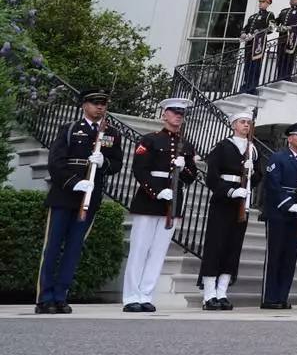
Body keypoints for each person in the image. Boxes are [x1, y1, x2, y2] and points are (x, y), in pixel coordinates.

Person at [36, 87, 123, 314]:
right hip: (65, 196)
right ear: (84, 105)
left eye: (103, 103)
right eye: (95, 102)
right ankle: (45, 298)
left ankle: (60, 296)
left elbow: (117, 165)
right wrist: (75, 182)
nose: (100, 107)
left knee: (73, 250)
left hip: (89, 199)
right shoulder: (71, 129)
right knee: (53, 248)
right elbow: (56, 162)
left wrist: (104, 162)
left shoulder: (111, 134)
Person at [123, 97, 198, 312]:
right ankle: (131, 297)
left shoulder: (187, 145)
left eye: (181, 114)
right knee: (139, 249)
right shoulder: (150, 140)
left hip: (173, 202)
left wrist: (184, 169)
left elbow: (191, 177)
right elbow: (139, 169)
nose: (178, 116)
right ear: (164, 114)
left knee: (158, 252)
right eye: (174, 112)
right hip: (149, 200)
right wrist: (157, 191)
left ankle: (146, 295)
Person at [199, 109, 262, 310]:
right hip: (224, 200)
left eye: (248, 122)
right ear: (233, 125)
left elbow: (259, 176)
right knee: (215, 245)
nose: (246, 125)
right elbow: (212, 177)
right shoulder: (223, 146)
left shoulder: (253, 149)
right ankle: (209, 294)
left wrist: (252, 174)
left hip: (242, 200)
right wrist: (229, 191)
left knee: (233, 247)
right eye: (242, 122)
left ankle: (222, 291)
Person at [260, 121, 297, 310]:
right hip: (279, 212)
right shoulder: (279, 157)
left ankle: (282, 296)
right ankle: (269, 297)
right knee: (276, 255)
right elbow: (273, 185)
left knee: (290, 257)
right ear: (290, 138)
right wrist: (289, 204)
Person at [239, 0, 274, 94]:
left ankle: (252, 85)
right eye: (260, 2)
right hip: (249, 43)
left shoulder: (269, 15)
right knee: (247, 64)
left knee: (256, 64)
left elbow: (271, 28)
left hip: (259, 42)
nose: (261, 4)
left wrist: (257, 32)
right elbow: (245, 28)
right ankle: (247, 83)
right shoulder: (252, 17)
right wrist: (244, 34)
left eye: (263, 2)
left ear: (268, 4)